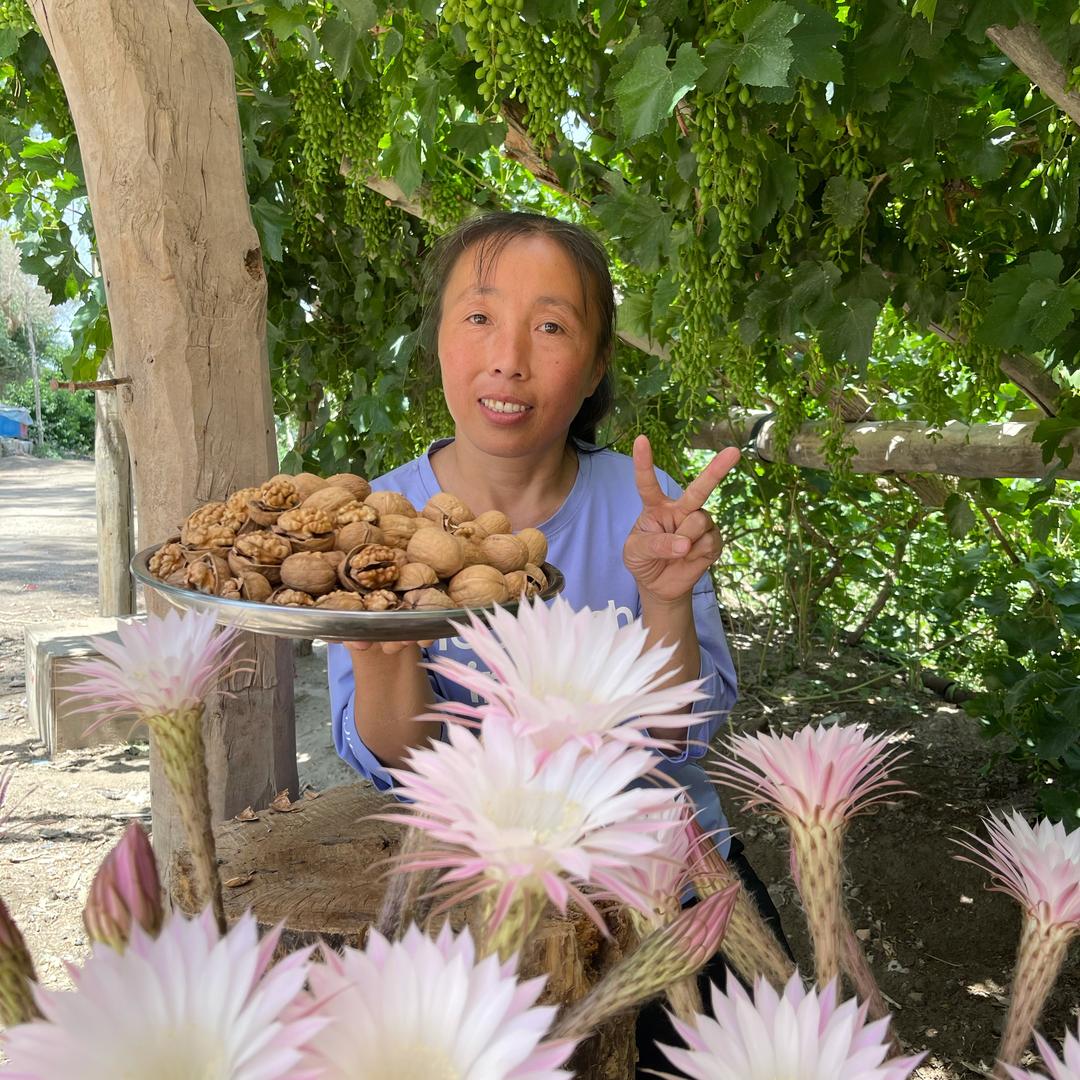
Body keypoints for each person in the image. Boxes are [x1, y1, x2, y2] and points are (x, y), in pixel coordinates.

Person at [325, 211, 788, 1069]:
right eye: (479, 317)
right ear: (438, 340)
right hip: (474, 913)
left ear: (597, 364)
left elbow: (676, 740)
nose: (508, 358)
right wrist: (378, 651)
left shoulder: (647, 511)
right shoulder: (373, 525)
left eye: (550, 326)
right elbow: (395, 752)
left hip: (670, 894)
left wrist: (663, 598)